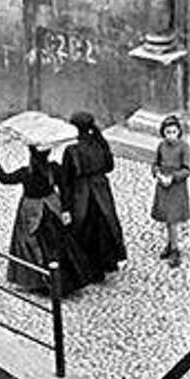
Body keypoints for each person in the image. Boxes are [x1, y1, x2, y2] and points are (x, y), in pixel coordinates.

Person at [0, 145, 92, 295]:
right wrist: (65, 209)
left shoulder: (26, 172)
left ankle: (38, 280)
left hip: (32, 211)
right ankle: (69, 279)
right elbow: (65, 187)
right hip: (52, 208)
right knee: (61, 243)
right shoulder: (53, 169)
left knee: (31, 244)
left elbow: (5, 178)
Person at [60, 111, 127, 282]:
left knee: (83, 230)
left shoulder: (71, 149)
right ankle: (107, 263)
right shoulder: (99, 143)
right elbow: (109, 166)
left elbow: (66, 181)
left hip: (81, 193)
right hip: (101, 191)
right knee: (104, 226)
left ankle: (86, 268)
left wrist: (65, 206)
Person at [150, 115, 190, 268]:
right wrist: (158, 174)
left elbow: (187, 169)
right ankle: (170, 243)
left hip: (176, 188)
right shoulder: (161, 146)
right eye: (168, 132)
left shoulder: (184, 147)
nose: (171, 135)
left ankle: (175, 250)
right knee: (167, 219)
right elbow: (155, 163)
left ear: (179, 132)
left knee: (173, 220)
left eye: (174, 132)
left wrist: (173, 178)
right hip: (163, 186)